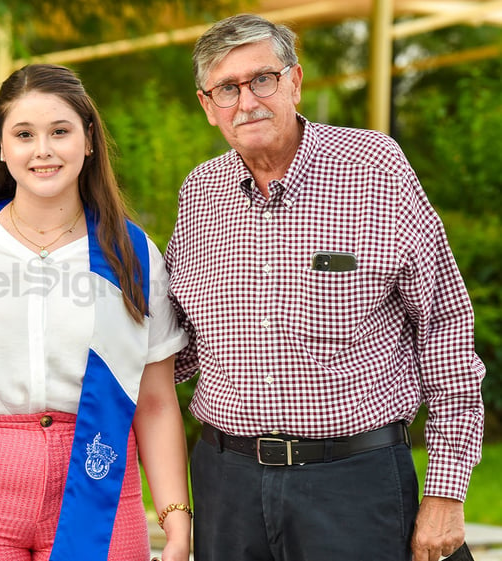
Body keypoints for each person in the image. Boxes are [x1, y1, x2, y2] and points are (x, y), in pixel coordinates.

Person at [165, 13, 485, 561]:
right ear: (206, 105)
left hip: (353, 484)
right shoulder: (200, 193)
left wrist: (446, 491)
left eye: (261, 79)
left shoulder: (376, 166)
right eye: (227, 88)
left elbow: (444, 326)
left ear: (295, 80)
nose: (247, 102)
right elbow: (178, 341)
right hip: (226, 485)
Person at [0, 63, 191, 561]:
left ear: (88, 139)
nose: (42, 150)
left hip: (97, 481)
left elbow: (154, 399)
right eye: (24, 134)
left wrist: (176, 521)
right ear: (1, 145)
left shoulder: (129, 251)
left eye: (59, 132)